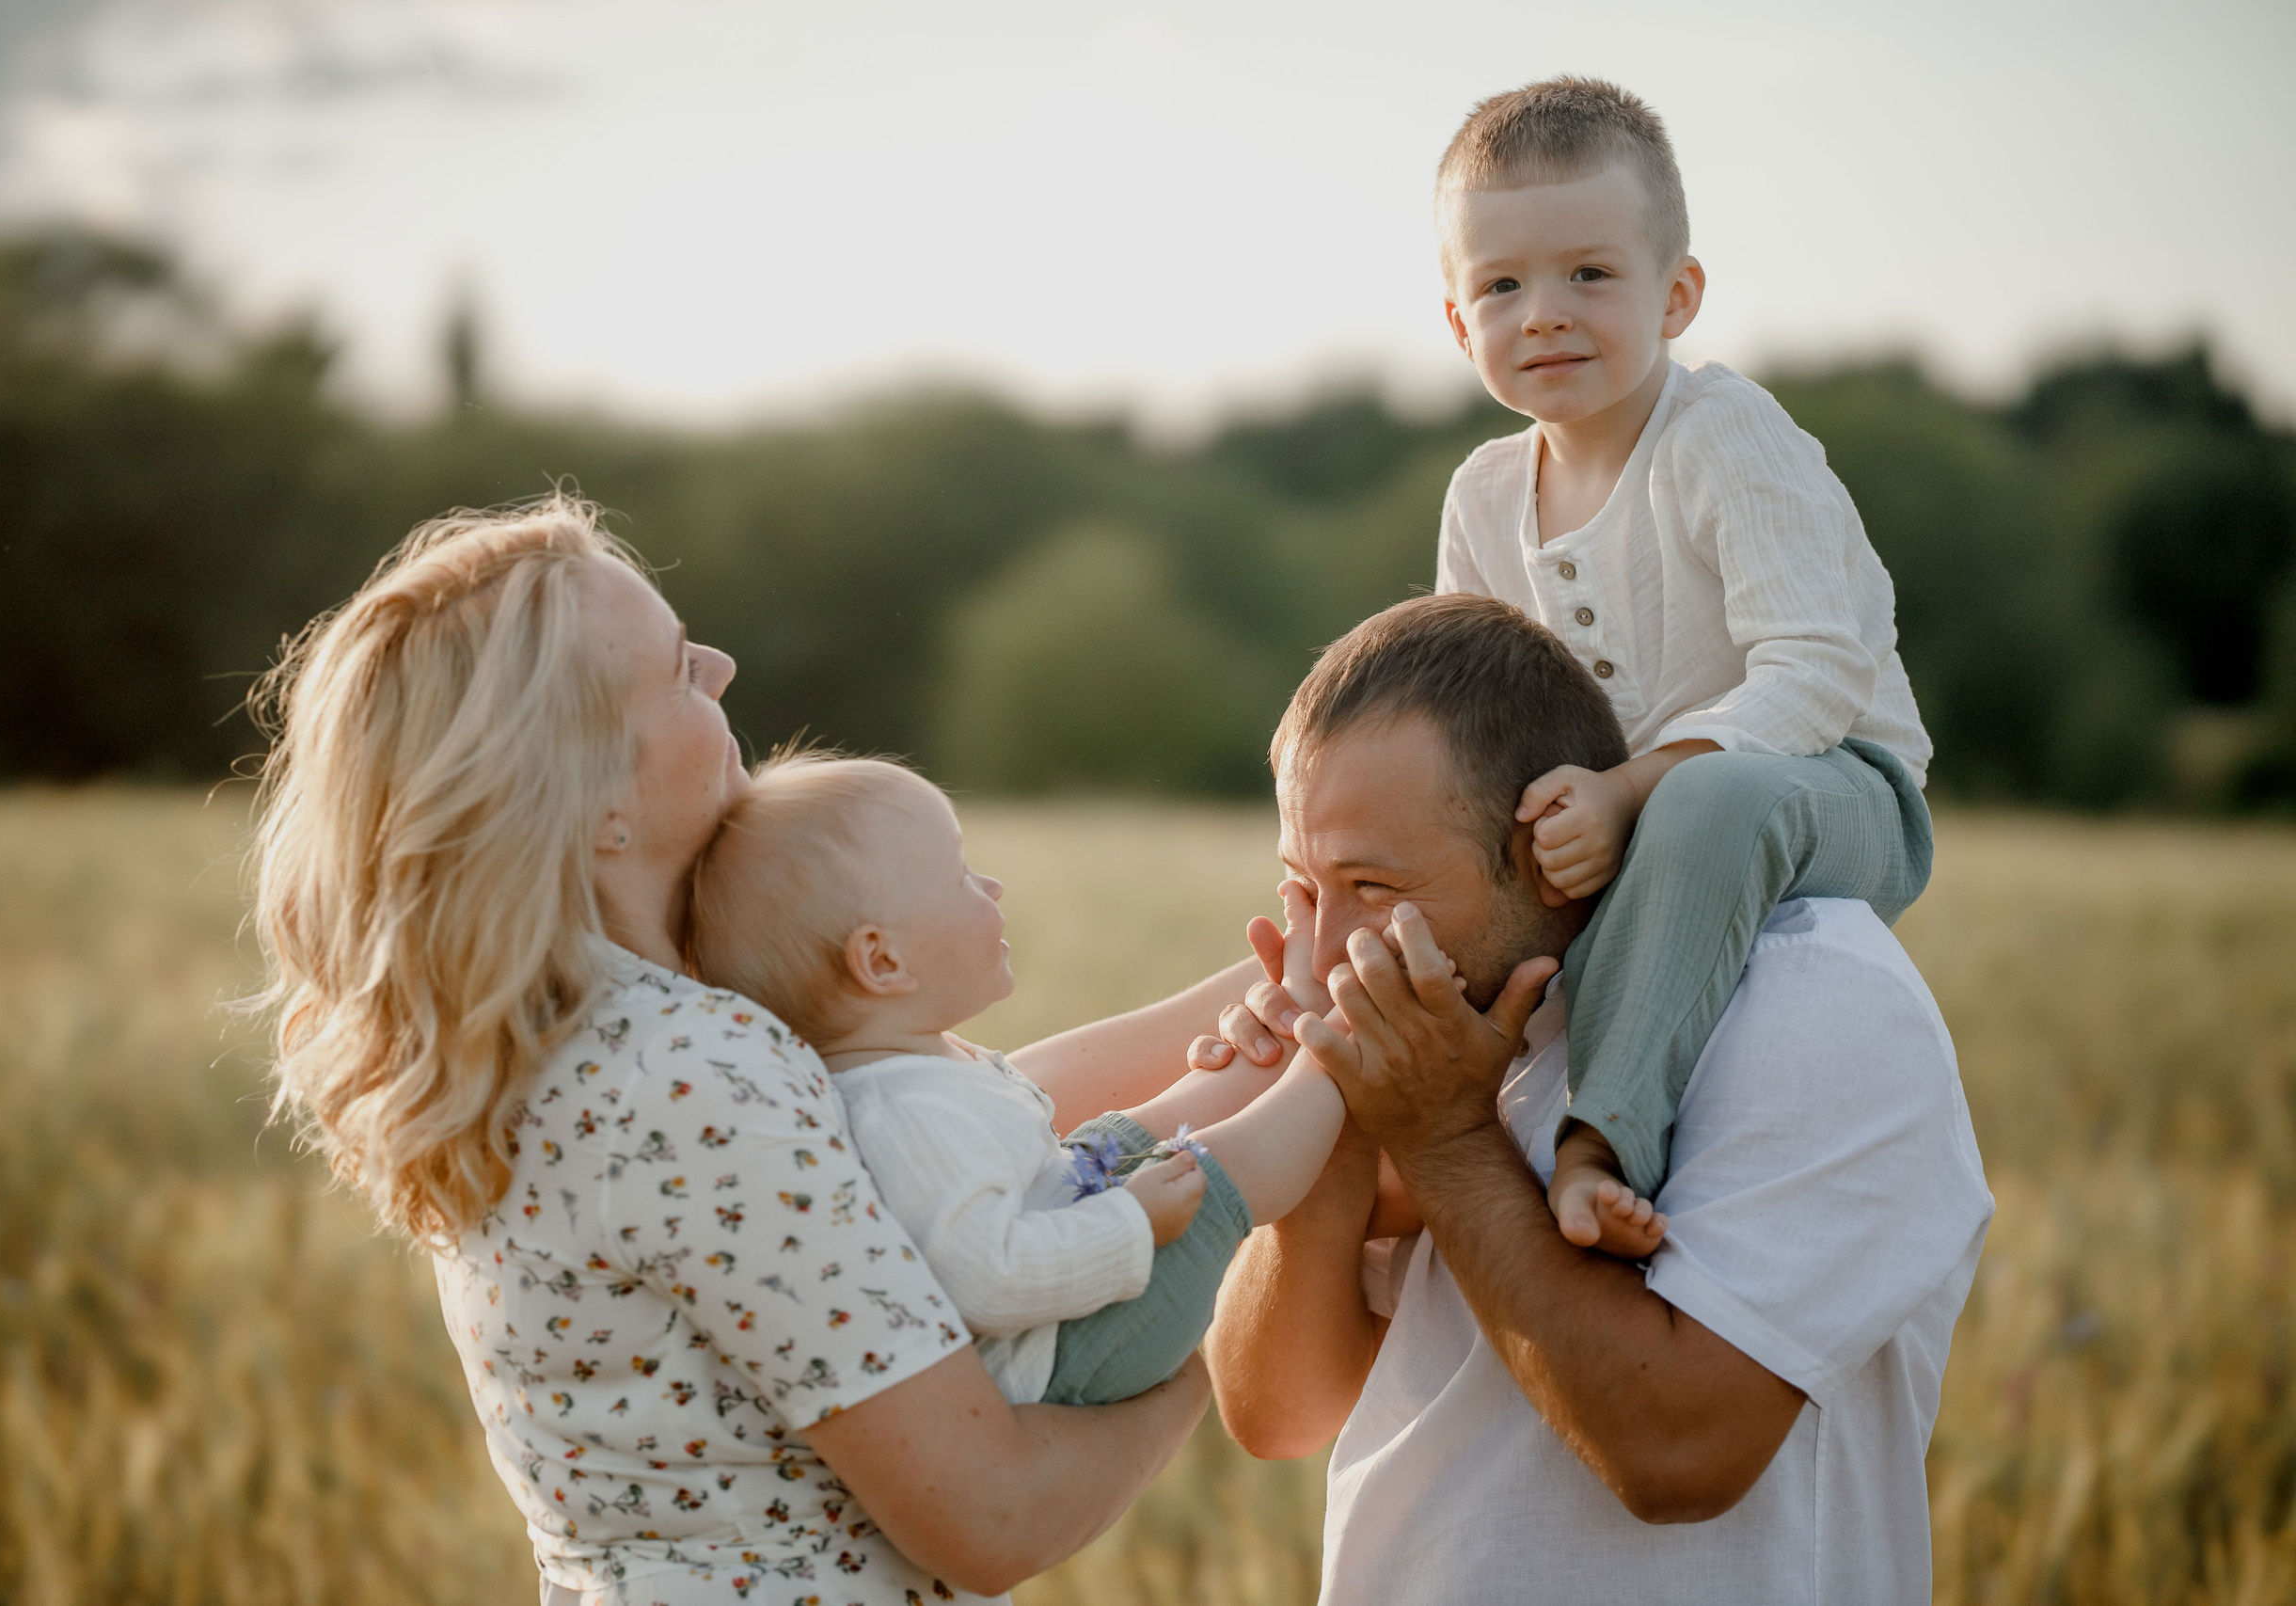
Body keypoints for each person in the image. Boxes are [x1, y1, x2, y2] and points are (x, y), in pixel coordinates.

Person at [246, 497, 1245, 1606]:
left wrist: (1277, 983)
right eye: (679, 669)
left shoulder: (567, 1040)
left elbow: (945, 1120)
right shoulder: (685, 1073)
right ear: (596, 799)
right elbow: (991, 1513)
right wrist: (1206, 1335)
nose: (721, 668)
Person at [1204, 594, 1992, 1602]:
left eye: (1374, 887)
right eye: (1306, 889)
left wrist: (1446, 1141)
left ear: (1551, 850)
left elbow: (1677, 1450)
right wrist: (1337, 1111)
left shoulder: (1814, 1001)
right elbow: (1277, 1414)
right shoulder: (1460, 1024)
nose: (1324, 957)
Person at [1426, 77, 1937, 1254]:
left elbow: (1812, 675)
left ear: (1677, 295)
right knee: (1434, 818)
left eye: (1588, 274)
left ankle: (1598, 1142)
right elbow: (1472, 709)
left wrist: (1627, 790)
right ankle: (1371, 1114)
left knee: (1709, 801)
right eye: (1501, 287)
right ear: (1458, 324)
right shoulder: (1483, 494)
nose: (1543, 315)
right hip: (1632, 815)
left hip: (1836, 791)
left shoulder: (1723, 438)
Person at [689, 755, 1348, 1407]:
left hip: (1063, 1231)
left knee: (1121, 1135)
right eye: (959, 876)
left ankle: (1300, 1011)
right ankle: (1337, 1054)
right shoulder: (906, 1116)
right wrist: (1133, 1220)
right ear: (883, 960)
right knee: (1221, 1169)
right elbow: (988, 1278)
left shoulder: (918, 1069)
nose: (993, 885)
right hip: (1063, 1345)